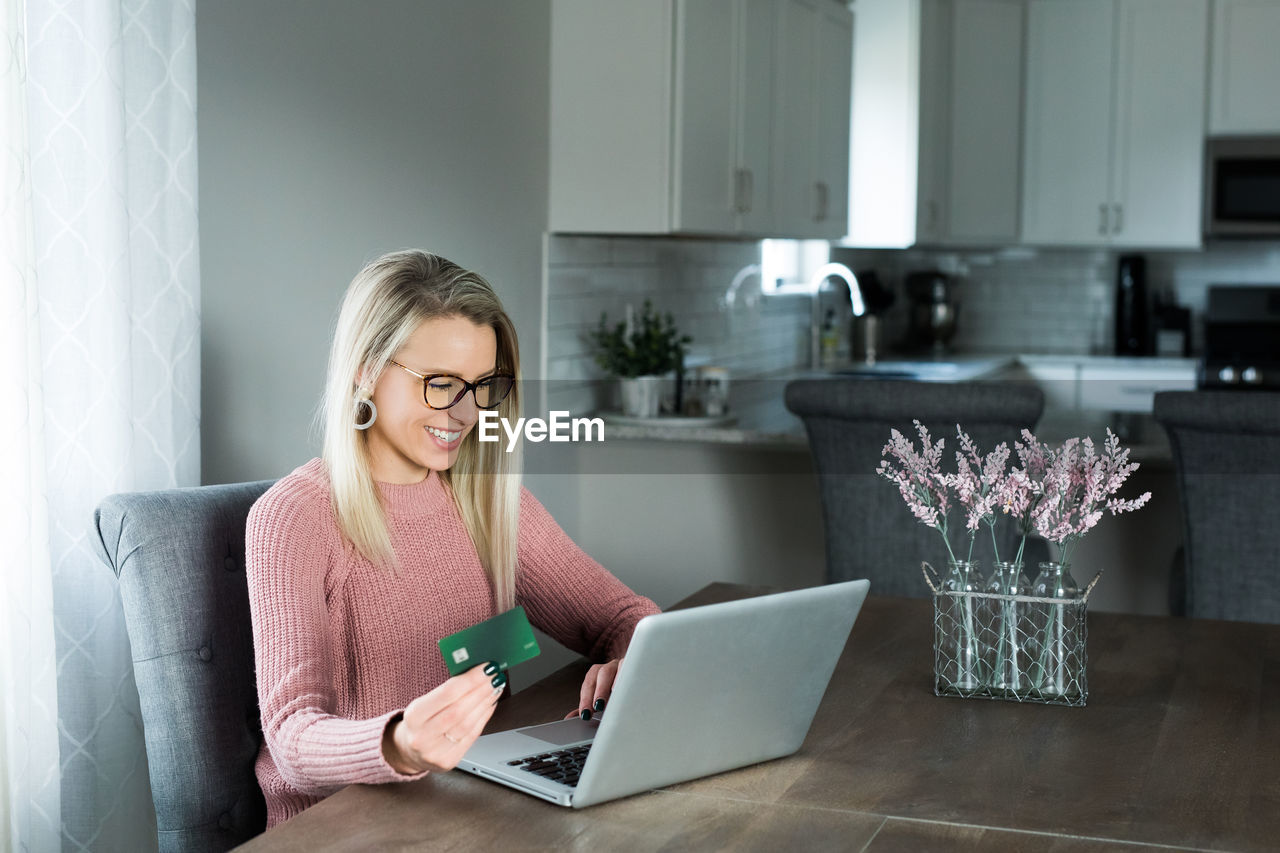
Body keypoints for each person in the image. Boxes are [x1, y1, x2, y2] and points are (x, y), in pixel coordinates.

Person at [245, 250, 660, 828]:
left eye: (481, 385)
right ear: (366, 368)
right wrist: (401, 743)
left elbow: (622, 615)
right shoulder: (295, 518)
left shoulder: (490, 502)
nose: (465, 413)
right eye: (440, 384)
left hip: (479, 811)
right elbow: (291, 737)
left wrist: (626, 658)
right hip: (345, 828)